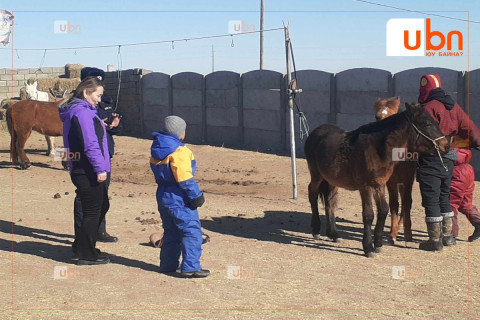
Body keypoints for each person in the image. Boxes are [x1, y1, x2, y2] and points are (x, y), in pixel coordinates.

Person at [416, 74, 480, 251]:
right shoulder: (454, 106)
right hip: (450, 159)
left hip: (431, 157)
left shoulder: (428, 108)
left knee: (431, 198)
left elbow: (419, 136)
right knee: (445, 196)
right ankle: (449, 237)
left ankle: (435, 242)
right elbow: (471, 128)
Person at [59, 77, 111, 265]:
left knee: (102, 205)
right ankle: (85, 253)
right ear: (86, 93)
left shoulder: (84, 112)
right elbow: (90, 144)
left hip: (82, 166)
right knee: (92, 210)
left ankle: (82, 245)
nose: (99, 99)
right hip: (87, 169)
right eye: (97, 95)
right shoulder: (81, 113)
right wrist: (100, 168)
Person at [150, 116, 209, 278]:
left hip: (162, 193)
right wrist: (196, 195)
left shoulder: (157, 146)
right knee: (191, 231)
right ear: (179, 133)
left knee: (171, 231)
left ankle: (168, 265)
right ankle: (191, 267)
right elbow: (184, 178)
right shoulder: (180, 151)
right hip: (179, 196)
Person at [72, 67, 121, 243]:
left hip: (104, 153)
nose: (99, 96)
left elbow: (109, 129)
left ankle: (99, 231)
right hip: (87, 157)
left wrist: (113, 125)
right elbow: (83, 137)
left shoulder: (105, 100)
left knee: (102, 196)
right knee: (84, 197)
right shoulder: (78, 106)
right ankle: (82, 236)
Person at [449, 136, 480, 242]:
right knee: (465, 203)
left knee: (450, 204)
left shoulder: (453, 134)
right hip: (467, 170)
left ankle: (451, 234)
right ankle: (478, 224)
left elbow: (453, 155)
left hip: (457, 172)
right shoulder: (466, 132)